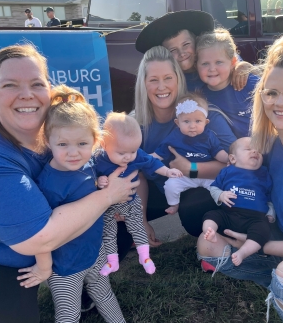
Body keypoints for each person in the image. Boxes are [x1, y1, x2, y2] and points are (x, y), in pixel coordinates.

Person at [0, 44, 138, 323]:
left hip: (70, 248)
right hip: (6, 256)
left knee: (116, 235)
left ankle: (86, 291)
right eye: (10, 84)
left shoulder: (57, 132)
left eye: (37, 84)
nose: (26, 94)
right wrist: (108, 195)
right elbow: (39, 238)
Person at [197, 34, 283, 323]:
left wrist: (262, 246)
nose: (280, 102)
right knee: (208, 246)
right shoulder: (273, 145)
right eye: (271, 92)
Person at [16, 86, 127, 323]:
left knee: (105, 294)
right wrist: (44, 267)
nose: (73, 153)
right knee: (68, 315)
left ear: (95, 141)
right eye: (63, 144)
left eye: (82, 143)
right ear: (48, 141)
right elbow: (40, 231)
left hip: (94, 252)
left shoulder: (88, 164)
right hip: (64, 267)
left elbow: (91, 182)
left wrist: (102, 181)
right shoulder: (48, 184)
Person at [134, 45, 236, 242]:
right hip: (162, 189)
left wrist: (191, 168)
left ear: (178, 79)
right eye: (153, 80)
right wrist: (141, 221)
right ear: (143, 84)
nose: (161, 87)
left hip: (202, 187)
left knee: (193, 210)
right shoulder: (136, 124)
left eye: (168, 78)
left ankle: (219, 237)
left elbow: (235, 163)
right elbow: (137, 174)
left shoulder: (202, 115)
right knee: (121, 225)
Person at [96, 112, 182, 276]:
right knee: (109, 231)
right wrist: (100, 180)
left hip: (130, 201)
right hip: (108, 206)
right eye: (122, 153)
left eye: (133, 151)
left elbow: (152, 162)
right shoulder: (99, 158)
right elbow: (91, 176)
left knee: (137, 227)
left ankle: (145, 257)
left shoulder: (134, 154)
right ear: (104, 144)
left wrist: (167, 171)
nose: (128, 157)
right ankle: (112, 262)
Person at [135, 10, 252, 92]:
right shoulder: (169, 78)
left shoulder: (215, 54)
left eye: (186, 44)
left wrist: (243, 66)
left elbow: (235, 62)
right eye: (173, 50)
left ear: (197, 40)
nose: (182, 53)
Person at [203, 137, 274, 267]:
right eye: (248, 149)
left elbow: (269, 197)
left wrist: (271, 213)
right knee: (211, 216)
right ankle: (211, 232)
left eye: (258, 150)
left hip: (255, 218)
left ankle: (243, 252)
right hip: (229, 214)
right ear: (233, 158)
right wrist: (221, 195)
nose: (255, 152)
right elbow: (214, 187)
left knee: (263, 231)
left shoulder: (264, 173)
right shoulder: (227, 171)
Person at [152, 94, 228, 214]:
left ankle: (224, 202)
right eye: (186, 121)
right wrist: (146, 158)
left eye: (198, 121)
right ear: (177, 123)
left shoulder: (209, 136)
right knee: (170, 185)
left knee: (220, 186)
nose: (192, 126)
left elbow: (218, 152)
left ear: (206, 122)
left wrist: (228, 158)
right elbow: (159, 153)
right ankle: (174, 204)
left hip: (207, 174)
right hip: (183, 176)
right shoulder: (174, 137)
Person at [196, 29, 259, 138]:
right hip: (233, 152)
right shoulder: (200, 97)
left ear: (233, 62)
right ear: (196, 66)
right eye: (205, 63)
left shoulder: (248, 81)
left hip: (267, 145)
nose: (212, 69)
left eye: (219, 62)